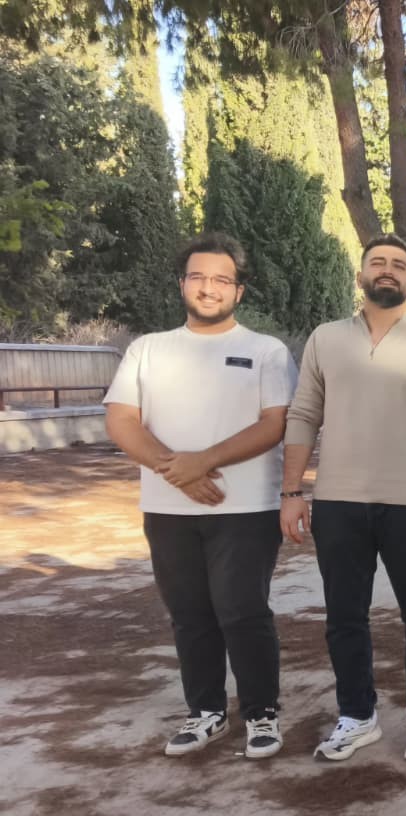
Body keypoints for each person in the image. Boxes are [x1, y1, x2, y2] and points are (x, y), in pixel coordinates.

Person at [105, 233, 296, 759]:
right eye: (198, 277)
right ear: (182, 283)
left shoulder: (266, 351)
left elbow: (274, 423)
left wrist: (203, 461)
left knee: (242, 610)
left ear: (239, 290)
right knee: (189, 613)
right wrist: (177, 471)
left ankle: (261, 713)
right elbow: (121, 420)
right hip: (167, 508)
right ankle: (206, 711)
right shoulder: (147, 349)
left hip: (246, 508)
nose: (209, 288)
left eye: (221, 279)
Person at [281, 233, 406, 762]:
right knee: (344, 616)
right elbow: (303, 415)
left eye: (398, 265)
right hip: (338, 502)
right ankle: (357, 716)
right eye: (377, 262)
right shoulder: (325, 339)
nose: (387, 270)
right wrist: (291, 491)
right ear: (360, 276)